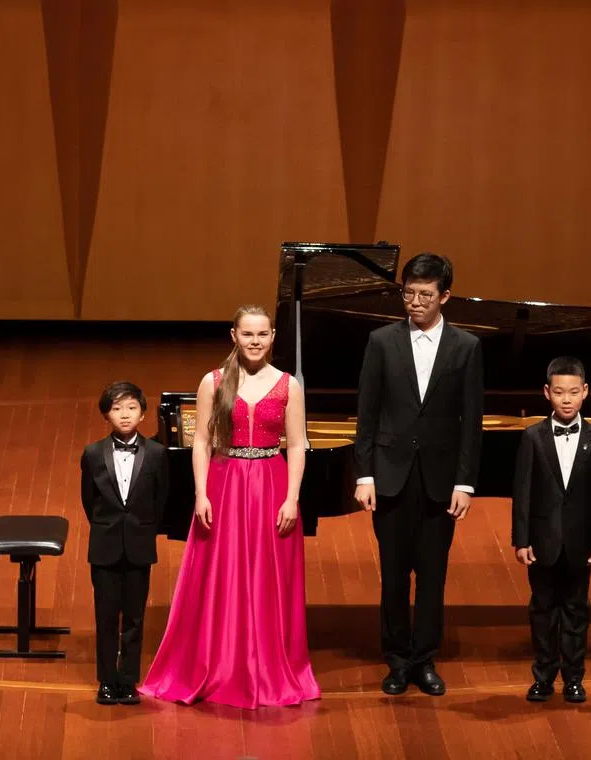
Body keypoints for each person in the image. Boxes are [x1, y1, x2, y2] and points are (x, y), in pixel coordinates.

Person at [140, 305, 320, 709]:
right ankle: (218, 663)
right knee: (221, 573)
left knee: (268, 575)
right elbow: (201, 441)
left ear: (273, 336)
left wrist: (292, 498)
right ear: (233, 336)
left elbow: (297, 446)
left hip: (271, 485)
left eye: (262, 334)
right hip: (226, 483)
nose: (255, 342)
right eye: (247, 334)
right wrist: (201, 493)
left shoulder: (289, 385)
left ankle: (267, 667)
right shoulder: (213, 381)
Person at [354, 252, 484, 696]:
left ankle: (424, 659)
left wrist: (465, 482)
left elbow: (472, 421)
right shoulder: (381, 341)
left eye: (425, 295)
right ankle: (395, 659)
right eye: (408, 293)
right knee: (393, 575)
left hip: (440, 480)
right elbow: (366, 414)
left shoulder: (467, 348)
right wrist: (364, 475)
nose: (415, 302)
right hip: (390, 476)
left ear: (445, 296)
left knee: (432, 575)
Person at [511, 357, 591, 703]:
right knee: (542, 609)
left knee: (576, 609)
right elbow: (522, 492)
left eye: (573, 392)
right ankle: (542, 676)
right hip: (542, 541)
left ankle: (573, 678)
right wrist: (520, 539)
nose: (566, 399)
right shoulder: (532, 437)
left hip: (580, 542)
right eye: (559, 392)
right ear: (546, 393)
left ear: (585, 392)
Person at [79, 381, 170, 705]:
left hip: (139, 546)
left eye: (131, 407)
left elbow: (161, 501)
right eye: (117, 408)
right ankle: (106, 681)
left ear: (143, 413)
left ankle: (128, 681)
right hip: (104, 548)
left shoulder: (158, 454)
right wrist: (107, 527)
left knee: (134, 617)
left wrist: (142, 529)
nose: (125, 414)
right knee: (105, 617)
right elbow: (89, 501)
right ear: (106, 415)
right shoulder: (92, 454)